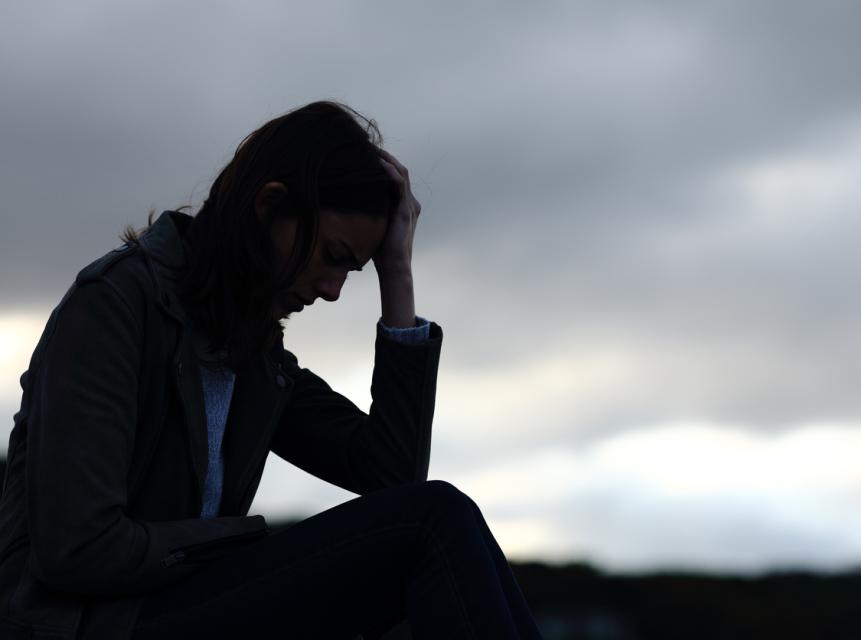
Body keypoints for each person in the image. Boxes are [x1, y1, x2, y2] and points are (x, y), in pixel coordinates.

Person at [0, 100, 543, 639]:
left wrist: (396, 273)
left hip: (176, 610)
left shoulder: (253, 356)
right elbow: (79, 549)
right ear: (269, 208)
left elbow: (391, 477)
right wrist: (240, 544)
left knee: (439, 521)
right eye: (332, 256)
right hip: (86, 626)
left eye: (351, 271)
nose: (332, 290)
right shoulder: (114, 306)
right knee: (434, 521)